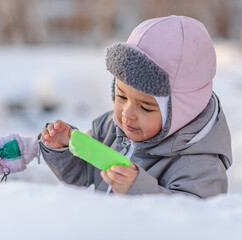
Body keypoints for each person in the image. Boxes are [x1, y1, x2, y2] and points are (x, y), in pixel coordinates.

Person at [39, 15, 232, 198]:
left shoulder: (199, 166)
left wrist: (139, 190)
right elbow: (83, 175)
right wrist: (64, 149)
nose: (127, 114)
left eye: (146, 108)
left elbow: (197, 220)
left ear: (180, 113)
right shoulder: (110, 129)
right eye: (122, 96)